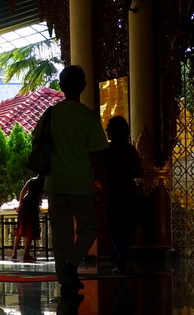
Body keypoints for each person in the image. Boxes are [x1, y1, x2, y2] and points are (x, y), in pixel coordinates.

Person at [32, 65, 108, 296]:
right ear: (83, 86)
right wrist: (101, 182)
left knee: (61, 233)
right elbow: (98, 154)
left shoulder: (51, 115)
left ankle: (64, 278)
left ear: (61, 86)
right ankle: (72, 263)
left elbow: (36, 142)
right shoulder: (87, 117)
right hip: (81, 182)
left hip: (55, 183)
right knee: (89, 227)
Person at [104, 115, 143, 273]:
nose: (107, 130)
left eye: (109, 127)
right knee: (126, 228)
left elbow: (101, 172)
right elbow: (140, 172)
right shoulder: (130, 149)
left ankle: (123, 256)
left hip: (114, 194)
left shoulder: (108, 151)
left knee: (113, 227)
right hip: (130, 193)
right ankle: (125, 256)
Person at [10, 175, 45, 262]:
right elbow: (40, 195)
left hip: (25, 204)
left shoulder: (32, 180)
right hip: (32, 206)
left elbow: (22, 192)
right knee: (30, 229)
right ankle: (26, 254)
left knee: (20, 228)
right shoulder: (44, 183)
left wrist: (20, 206)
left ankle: (14, 253)